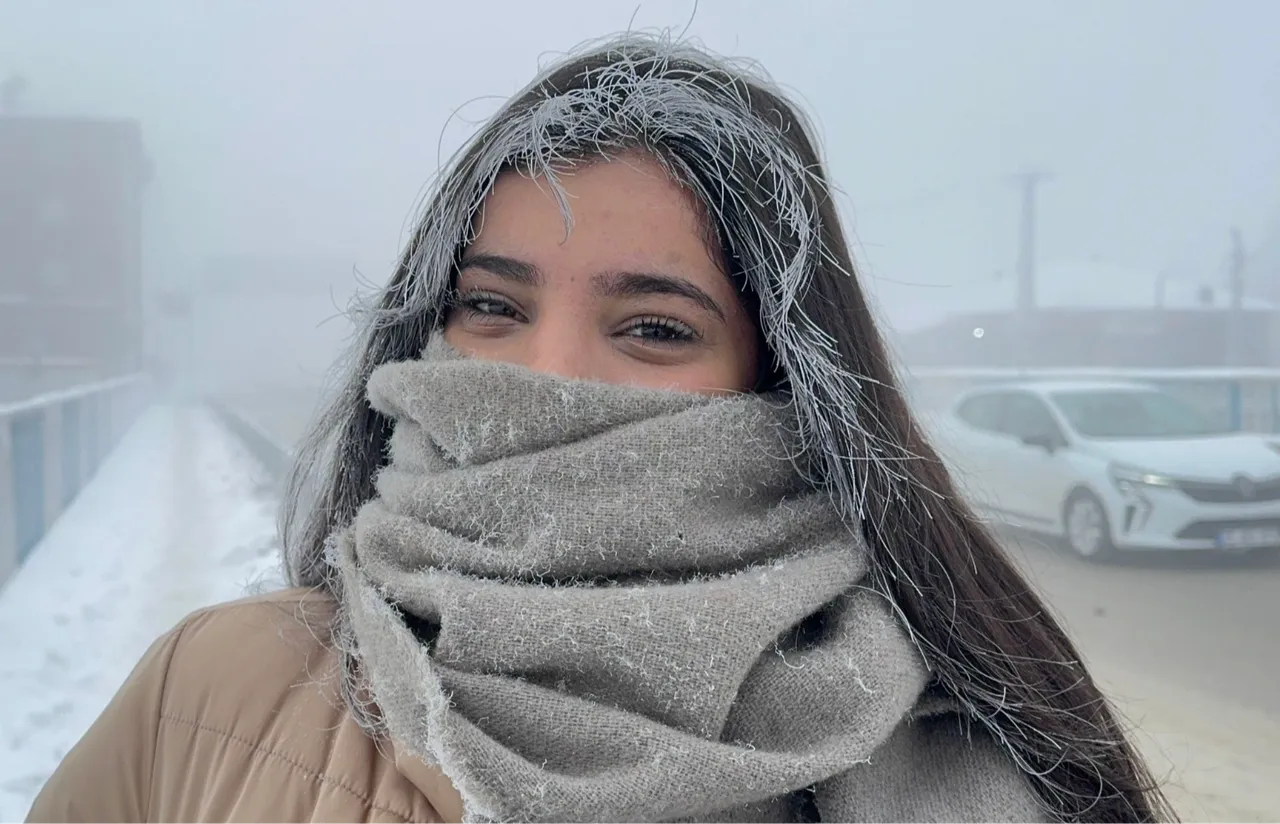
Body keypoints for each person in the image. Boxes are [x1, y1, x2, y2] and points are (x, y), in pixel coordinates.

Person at [27, 34, 1178, 824]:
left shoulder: (967, 746)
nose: (549, 377)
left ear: (782, 387)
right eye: (491, 306)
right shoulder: (215, 687)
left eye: (653, 327)